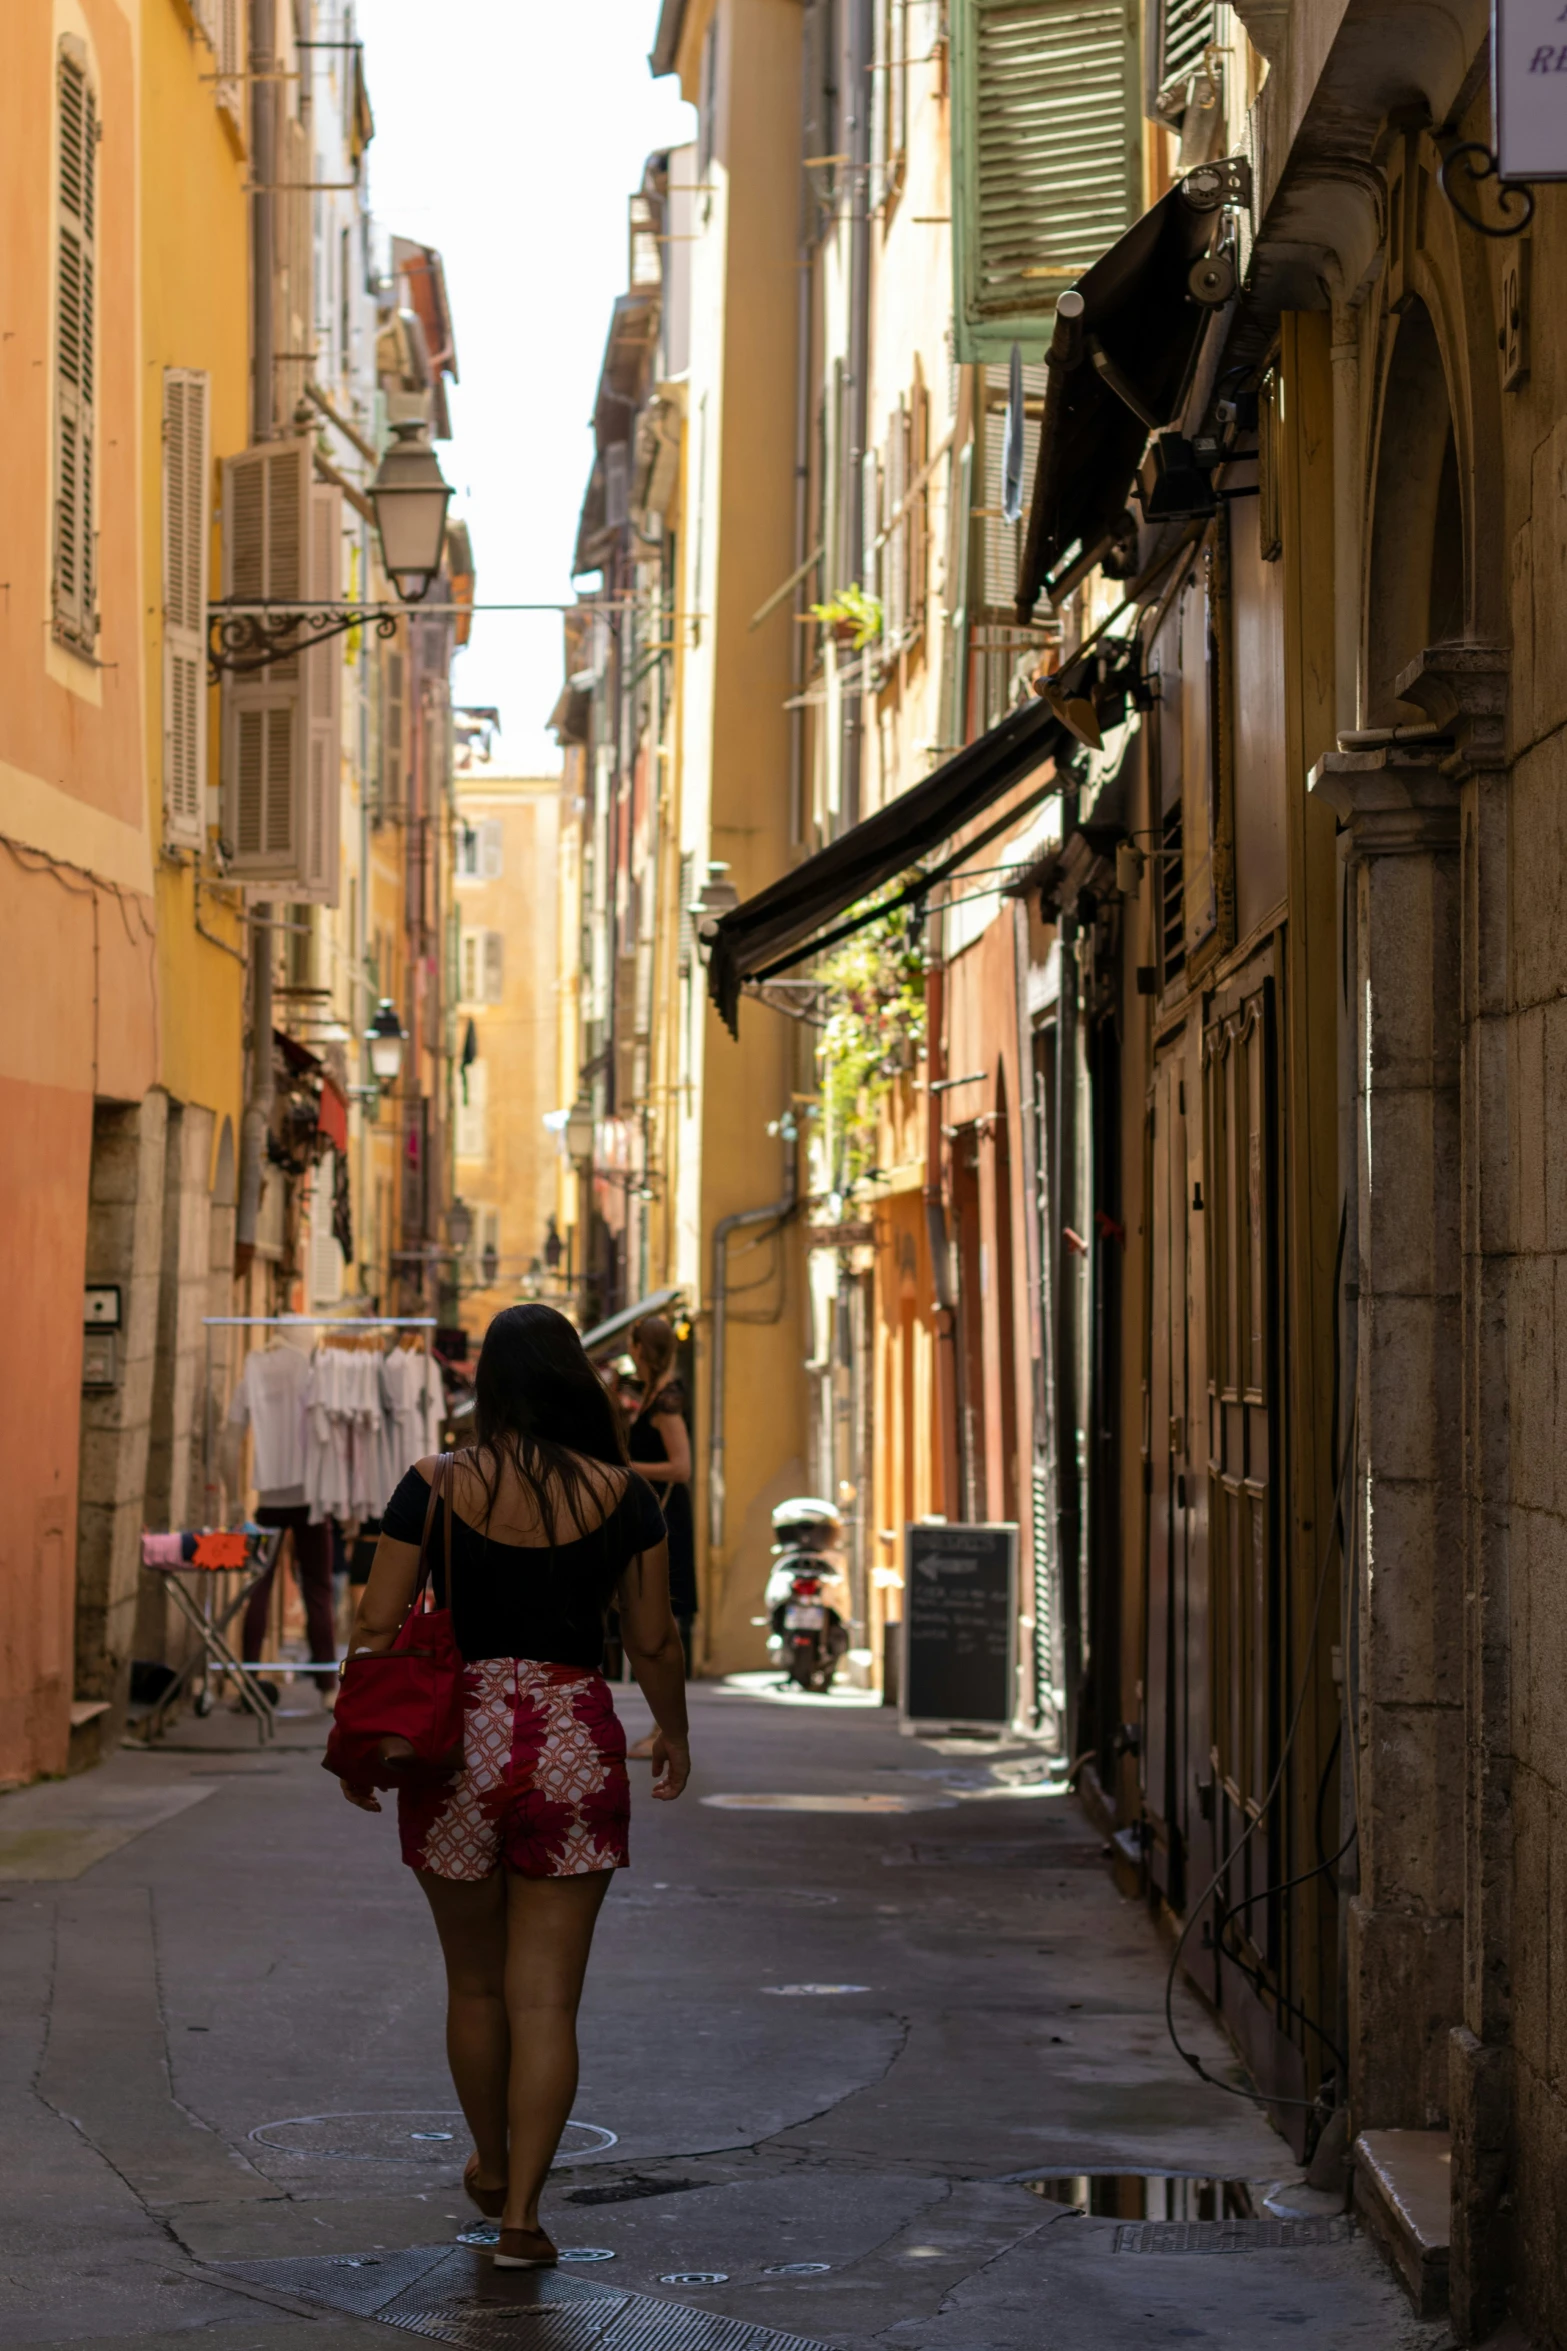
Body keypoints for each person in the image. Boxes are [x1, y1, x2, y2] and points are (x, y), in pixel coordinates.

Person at [341, 1304, 691, 2270]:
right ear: (572, 1379)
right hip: (575, 1740)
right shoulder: (624, 1495)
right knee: (547, 2001)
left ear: (491, 1385)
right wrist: (675, 1732)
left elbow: (375, 1626)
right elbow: (653, 1638)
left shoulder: (434, 1484)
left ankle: (490, 2160)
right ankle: (522, 2217)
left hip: (456, 1745)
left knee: (475, 1981)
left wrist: (368, 1745)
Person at [625, 1315, 697, 1672]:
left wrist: (628, 1466)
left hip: (668, 1514)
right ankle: (662, 1723)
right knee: (657, 1614)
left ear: (639, 1348)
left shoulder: (666, 1400)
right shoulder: (653, 1393)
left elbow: (682, 1467)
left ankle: (667, 1722)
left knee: (664, 1614)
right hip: (655, 1510)